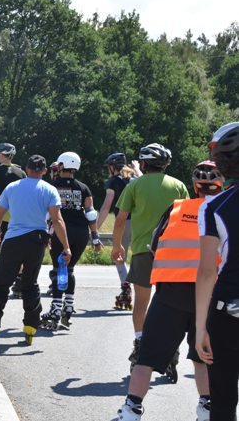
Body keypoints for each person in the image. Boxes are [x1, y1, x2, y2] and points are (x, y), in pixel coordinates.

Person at [115, 160, 223, 421]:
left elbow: (155, 244)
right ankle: (207, 409)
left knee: (147, 358)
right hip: (209, 296)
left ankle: (131, 411)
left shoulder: (176, 208)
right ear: (221, 184)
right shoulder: (226, 211)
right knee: (203, 359)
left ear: (195, 186)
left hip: (170, 293)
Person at [111, 143, 189, 369]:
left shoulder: (135, 185)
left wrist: (117, 246)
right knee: (171, 303)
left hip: (144, 250)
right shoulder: (179, 185)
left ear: (143, 164)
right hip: (173, 253)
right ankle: (171, 346)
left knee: (141, 303)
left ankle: (140, 342)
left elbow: (119, 219)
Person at [0, 155, 71, 345]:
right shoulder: (50, 189)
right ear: (44, 171)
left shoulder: (13, 187)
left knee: (1, 285)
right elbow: (57, 220)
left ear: (26, 169)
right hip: (37, 241)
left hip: (13, 240)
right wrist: (66, 247)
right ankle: (30, 329)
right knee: (30, 284)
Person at [196, 121, 239, 421]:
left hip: (227, 312)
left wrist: (200, 329)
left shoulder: (214, 207)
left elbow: (207, 272)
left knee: (222, 401)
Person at [40, 151, 102, 330]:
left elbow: (46, 213)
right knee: (69, 269)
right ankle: (68, 306)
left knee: (59, 268)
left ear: (60, 166)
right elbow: (90, 213)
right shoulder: (84, 188)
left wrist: (44, 233)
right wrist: (95, 237)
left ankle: (56, 309)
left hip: (61, 231)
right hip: (81, 232)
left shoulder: (52, 186)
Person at [0, 143, 26, 298]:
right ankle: (20, 282)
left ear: (2, 155)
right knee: (17, 250)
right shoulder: (21, 173)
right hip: (15, 216)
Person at [98, 152, 134, 310]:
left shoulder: (113, 182)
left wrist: (95, 227)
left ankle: (126, 290)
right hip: (140, 222)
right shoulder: (134, 179)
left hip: (123, 221)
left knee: (119, 256)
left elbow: (107, 206)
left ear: (113, 167)